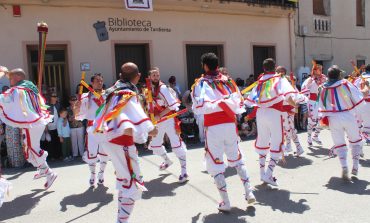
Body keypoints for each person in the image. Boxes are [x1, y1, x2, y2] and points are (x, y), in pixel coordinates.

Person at [90, 62, 157, 223]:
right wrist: (151, 129)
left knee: (124, 181)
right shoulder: (127, 94)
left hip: (109, 140)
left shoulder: (111, 92)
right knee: (133, 185)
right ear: (138, 76)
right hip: (122, 144)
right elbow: (131, 122)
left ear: (120, 76)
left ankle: (120, 219)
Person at [191, 53, 255, 211]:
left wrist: (215, 105)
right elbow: (240, 103)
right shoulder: (229, 81)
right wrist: (223, 104)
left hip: (213, 127)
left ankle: (226, 203)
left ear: (205, 66)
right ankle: (249, 192)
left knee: (215, 163)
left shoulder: (200, 83)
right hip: (229, 125)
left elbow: (199, 108)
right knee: (237, 159)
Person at [244, 59, 300, 186]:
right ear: (274, 67)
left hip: (260, 114)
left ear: (263, 68)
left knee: (263, 141)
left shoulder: (260, 81)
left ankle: (262, 174)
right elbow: (288, 95)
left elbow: (250, 99)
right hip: (274, 114)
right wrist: (295, 104)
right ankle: (268, 174)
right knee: (277, 142)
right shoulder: (279, 79)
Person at [0, 67, 57, 189]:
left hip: (32, 123)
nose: (9, 80)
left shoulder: (19, 90)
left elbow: (6, 99)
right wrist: (5, 73)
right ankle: (42, 169)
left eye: (11, 77)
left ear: (18, 78)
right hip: (35, 122)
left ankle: (49, 173)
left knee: (32, 148)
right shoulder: (30, 87)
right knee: (29, 149)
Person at [315, 66, 365, 179]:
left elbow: (320, 106)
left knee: (339, 143)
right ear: (339, 75)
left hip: (333, 118)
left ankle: (344, 167)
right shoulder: (344, 83)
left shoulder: (322, 88)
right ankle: (355, 166)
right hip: (348, 116)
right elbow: (357, 98)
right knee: (355, 140)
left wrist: (323, 118)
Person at [147, 67, 188, 183]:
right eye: (153, 75)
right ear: (149, 77)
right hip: (157, 121)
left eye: (157, 75)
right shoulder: (149, 89)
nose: (155, 77)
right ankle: (167, 160)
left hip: (168, 119)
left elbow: (173, 105)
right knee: (155, 144)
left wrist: (160, 115)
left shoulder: (163, 88)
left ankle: (184, 172)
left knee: (176, 144)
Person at [75, 73, 109, 187]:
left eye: (101, 80)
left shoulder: (108, 95)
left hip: (105, 128)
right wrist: (77, 107)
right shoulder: (86, 97)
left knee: (104, 153)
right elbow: (78, 115)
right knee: (92, 153)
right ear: (92, 83)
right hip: (91, 129)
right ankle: (93, 175)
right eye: (97, 81)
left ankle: (101, 174)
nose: (100, 82)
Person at [275, 66, 305, 156]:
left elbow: (294, 95)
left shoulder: (286, 82)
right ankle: (288, 146)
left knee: (290, 129)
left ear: (283, 72)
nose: (277, 73)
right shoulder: (279, 82)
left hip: (287, 109)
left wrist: (294, 106)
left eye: (279, 71)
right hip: (282, 109)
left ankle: (299, 147)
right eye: (277, 71)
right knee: (286, 129)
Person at [301, 64, 327, 146]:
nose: (320, 70)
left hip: (321, 101)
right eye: (319, 69)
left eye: (321, 69)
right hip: (312, 101)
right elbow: (304, 89)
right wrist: (311, 81)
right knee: (312, 121)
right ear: (314, 70)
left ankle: (315, 136)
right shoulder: (310, 79)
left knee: (322, 120)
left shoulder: (324, 78)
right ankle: (309, 137)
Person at [354, 64, 370, 143]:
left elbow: (354, 89)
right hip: (368, 103)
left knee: (359, 122)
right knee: (367, 125)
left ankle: (358, 137)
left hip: (359, 102)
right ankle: (365, 137)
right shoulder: (362, 78)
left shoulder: (359, 78)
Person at [45, 92, 62, 160]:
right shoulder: (47, 105)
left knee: (58, 141)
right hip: (50, 126)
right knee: (51, 142)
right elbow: (45, 116)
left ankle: (59, 155)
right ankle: (52, 156)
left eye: (55, 96)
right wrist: (46, 127)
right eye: (53, 96)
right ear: (50, 97)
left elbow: (62, 113)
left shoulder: (58, 105)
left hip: (58, 126)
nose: (55, 98)